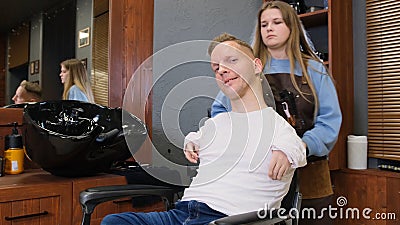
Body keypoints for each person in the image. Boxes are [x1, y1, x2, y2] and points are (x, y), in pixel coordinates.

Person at [100, 33, 307, 225]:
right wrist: (190, 142)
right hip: (182, 213)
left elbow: (299, 147)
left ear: (256, 65)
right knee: (114, 222)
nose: (222, 70)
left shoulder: (277, 127)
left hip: (228, 220)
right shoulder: (216, 124)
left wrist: (287, 152)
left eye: (232, 60)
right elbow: (196, 137)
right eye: (216, 68)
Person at [211, 1, 342, 224]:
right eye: (264, 24)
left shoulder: (315, 70)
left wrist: (299, 147)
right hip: (259, 177)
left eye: (276, 22)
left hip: (310, 175)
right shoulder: (247, 70)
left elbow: (329, 122)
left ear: (291, 26)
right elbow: (220, 112)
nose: (268, 28)